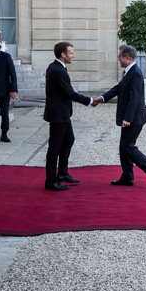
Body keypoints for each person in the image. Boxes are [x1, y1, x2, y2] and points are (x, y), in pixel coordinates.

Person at [96, 44, 146, 186]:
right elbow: (118, 88)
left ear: (126, 58)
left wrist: (128, 118)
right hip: (131, 117)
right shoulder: (128, 72)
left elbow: (135, 98)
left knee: (127, 147)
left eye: (119, 57)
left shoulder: (135, 73)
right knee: (123, 147)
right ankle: (127, 176)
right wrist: (102, 98)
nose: (118, 59)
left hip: (133, 118)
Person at [43, 42, 96, 191]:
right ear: (63, 54)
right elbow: (70, 93)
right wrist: (90, 100)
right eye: (71, 53)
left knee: (69, 140)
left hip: (62, 113)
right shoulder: (58, 70)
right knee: (54, 148)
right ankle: (51, 181)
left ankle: (63, 173)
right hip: (58, 115)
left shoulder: (56, 67)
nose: (74, 55)